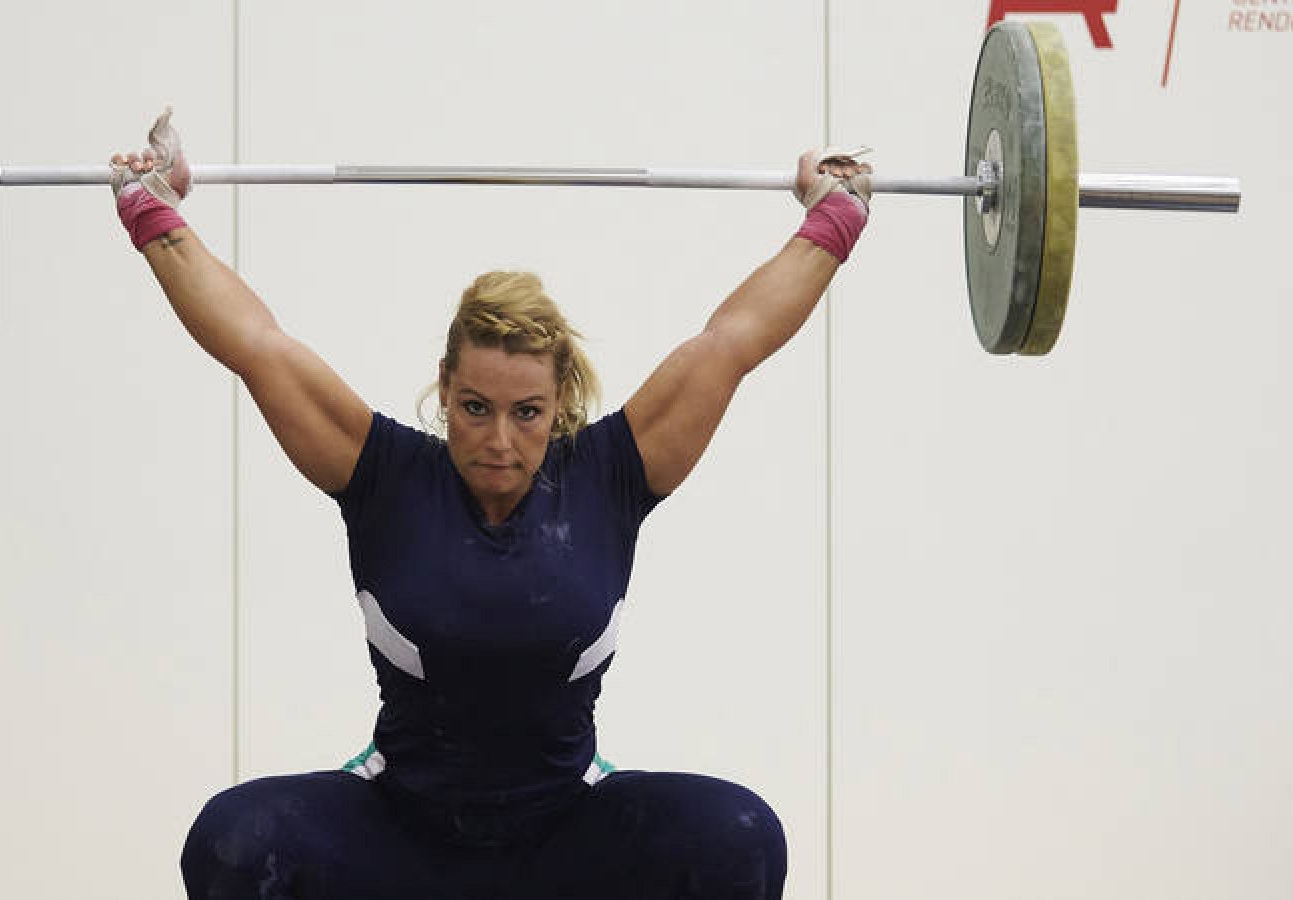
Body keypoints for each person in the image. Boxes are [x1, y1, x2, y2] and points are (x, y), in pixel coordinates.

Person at [111, 109, 870, 900]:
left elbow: (733, 340)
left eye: (527, 412)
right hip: (399, 836)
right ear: (445, 390)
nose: (500, 440)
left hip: (565, 838)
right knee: (233, 843)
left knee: (739, 836)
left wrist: (836, 216)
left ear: (559, 400)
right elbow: (255, 344)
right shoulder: (385, 475)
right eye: (475, 408)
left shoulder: (611, 473)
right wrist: (152, 210)